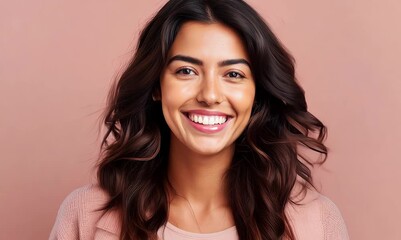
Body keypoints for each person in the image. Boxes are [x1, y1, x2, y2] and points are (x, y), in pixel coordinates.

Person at [50, 0, 349, 239]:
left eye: (233, 74)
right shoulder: (85, 215)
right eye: (186, 71)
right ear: (156, 85)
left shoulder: (316, 222)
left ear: (257, 92)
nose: (209, 94)